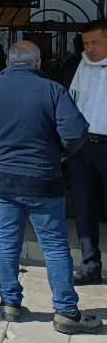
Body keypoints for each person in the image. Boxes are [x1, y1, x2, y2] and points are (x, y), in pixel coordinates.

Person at [0, 40, 101, 334]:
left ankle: (10, 303)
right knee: (55, 245)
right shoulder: (52, 90)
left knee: (7, 239)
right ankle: (66, 312)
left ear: (7, 63)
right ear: (38, 63)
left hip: (0, 178)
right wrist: (59, 153)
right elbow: (75, 131)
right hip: (42, 179)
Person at [64, 19, 107, 285]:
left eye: (95, 43)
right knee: (84, 206)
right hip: (81, 147)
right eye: (86, 43)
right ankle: (91, 265)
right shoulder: (74, 67)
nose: (89, 49)